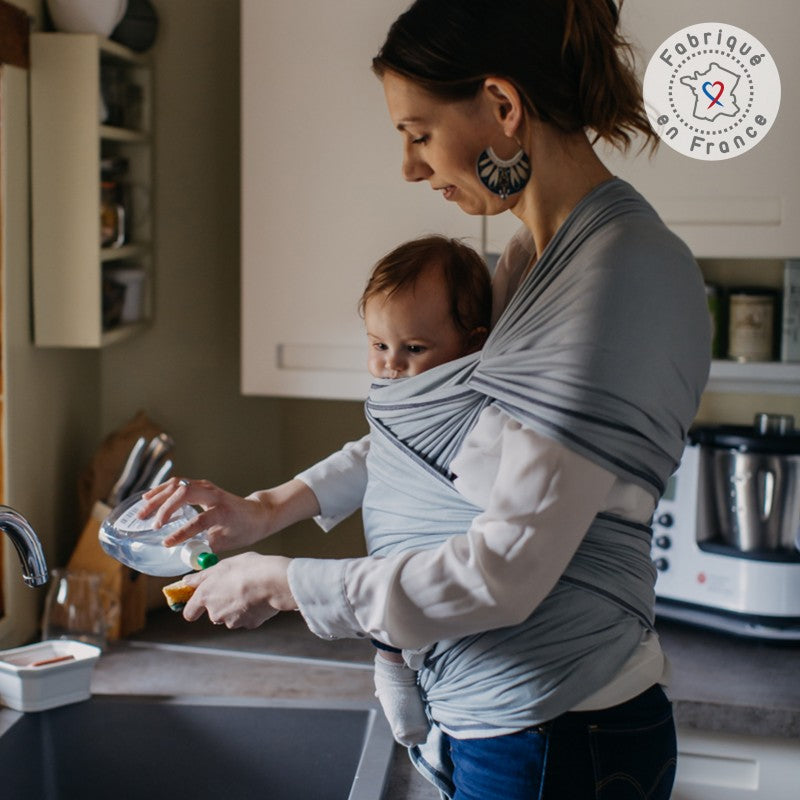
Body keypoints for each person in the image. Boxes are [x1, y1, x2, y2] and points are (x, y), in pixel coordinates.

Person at [141, 2, 711, 797]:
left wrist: (282, 582)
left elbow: (501, 574)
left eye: (418, 133)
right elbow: (436, 449)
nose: (410, 168)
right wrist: (265, 509)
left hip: (558, 730)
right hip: (513, 724)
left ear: (504, 108)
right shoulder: (530, 263)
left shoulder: (611, 277)